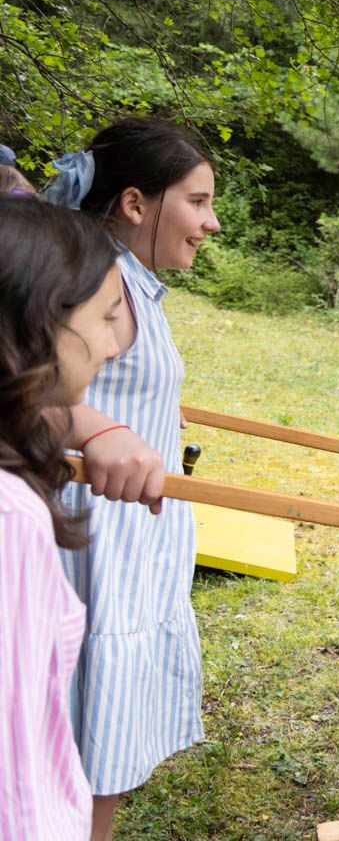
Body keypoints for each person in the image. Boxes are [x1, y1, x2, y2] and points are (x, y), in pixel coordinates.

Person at [45, 116, 221, 839]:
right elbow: (21, 390)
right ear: (135, 203)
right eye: (198, 201)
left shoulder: (133, 280)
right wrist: (96, 427)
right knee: (86, 757)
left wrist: (148, 412)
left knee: (96, 752)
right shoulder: (99, 277)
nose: (210, 223)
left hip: (130, 547)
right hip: (97, 555)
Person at [1, 198, 127, 840]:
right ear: (41, 323)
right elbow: (12, 752)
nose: (113, 343)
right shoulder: (10, 516)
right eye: (105, 317)